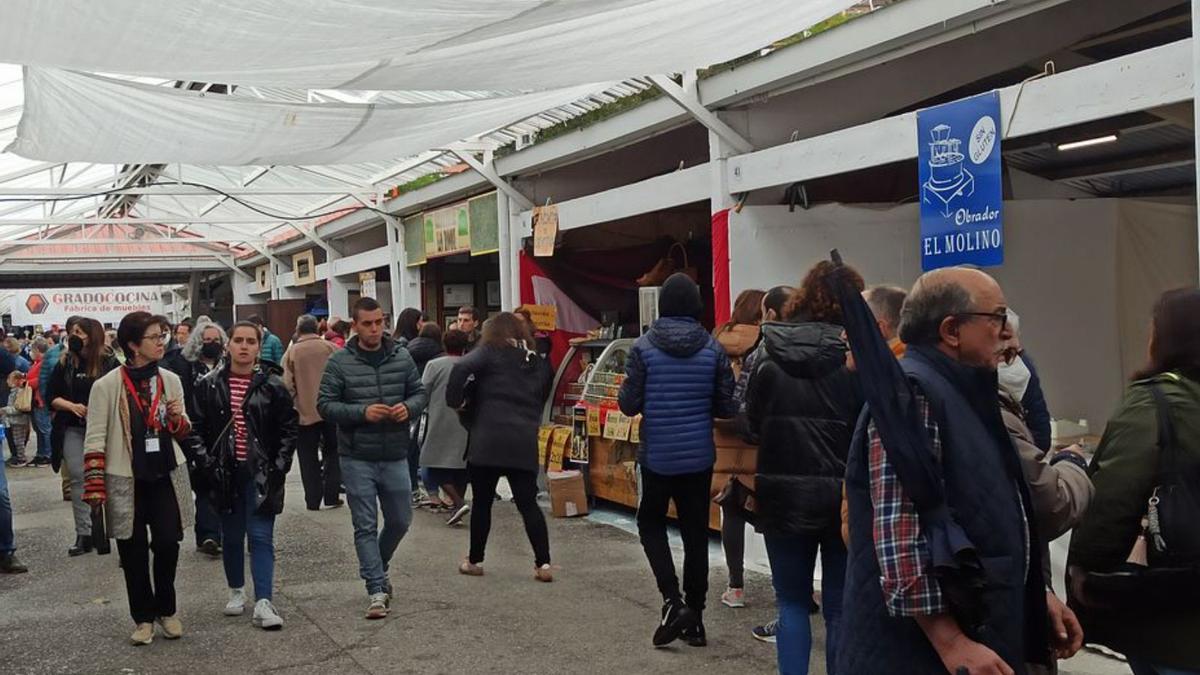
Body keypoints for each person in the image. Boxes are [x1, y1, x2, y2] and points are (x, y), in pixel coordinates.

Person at [838, 267, 1080, 675]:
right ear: (952, 331)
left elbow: (998, 514)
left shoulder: (965, 392)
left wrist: (1035, 593)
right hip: (918, 656)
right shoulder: (915, 396)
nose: (1008, 334)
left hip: (979, 630)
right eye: (998, 318)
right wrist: (950, 642)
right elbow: (902, 537)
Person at [1068, 287, 1200, 675]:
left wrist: (1086, 577)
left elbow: (1112, 499)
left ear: (1165, 338)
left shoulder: (1156, 403)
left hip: (1175, 618)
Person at [746, 262, 864, 674]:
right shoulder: (859, 356)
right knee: (840, 608)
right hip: (845, 498)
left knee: (792, 603)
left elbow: (751, 424)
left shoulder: (768, 352)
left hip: (782, 495)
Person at [618, 273, 736, 649]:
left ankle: (672, 600)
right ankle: (696, 620)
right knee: (695, 533)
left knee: (650, 523)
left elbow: (628, 403)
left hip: (657, 457)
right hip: (699, 456)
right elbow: (724, 405)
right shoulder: (713, 349)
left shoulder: (644, 347)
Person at [82, 311, 195, 646]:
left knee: (167, 543)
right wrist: (94, 485)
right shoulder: (106, 386)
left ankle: (167, 610)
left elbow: (184, 430)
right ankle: (143, 618)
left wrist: (177, 419)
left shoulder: (170, 379)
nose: (162, 342)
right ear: (132, 345)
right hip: (124, 479)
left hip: (164, 475)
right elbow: (95, 437)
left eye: (163, 335)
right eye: (154, 337)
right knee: (131, 552)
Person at [317, 297, 427, 620]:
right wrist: (362, 413)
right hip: (356, 456)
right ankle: (376, 589)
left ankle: (379, 565)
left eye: (379, 322)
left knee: (400, 520)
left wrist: (409, 408)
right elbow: (325, 405)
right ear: (355, 326)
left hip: (394, 453)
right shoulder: (339, 362)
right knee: (364, 525)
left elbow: (419, 393)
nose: (375, 328)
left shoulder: (401, 356)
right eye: (368, 323)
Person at [190, 321, 297, 631]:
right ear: (228, 345)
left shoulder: (273, 385)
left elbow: (289, 428)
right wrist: (207, 462)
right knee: (233, 536)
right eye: (238, 340)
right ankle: (236, 589)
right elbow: (195, 427)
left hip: (261, 473)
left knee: (262, 536)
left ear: (259, 347)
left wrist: (279, 464)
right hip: (224, 473)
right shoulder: (209, 385)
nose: (244, 346)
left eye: (251, 341)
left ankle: (264, 601)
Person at [446, 312, 554, 580]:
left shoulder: (490, 352)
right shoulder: (532, 359)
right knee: (528, 504)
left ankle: (475, 560)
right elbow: (545, 387)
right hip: (522, 440)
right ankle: (543, 564)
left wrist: (456, 401)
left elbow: (460, 368)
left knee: (482, 503)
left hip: (487, 439)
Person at [711, 288, 764, 610]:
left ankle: (736, 586)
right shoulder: (768, 342)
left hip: (724, 436)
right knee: (772, 511)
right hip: (760, 436)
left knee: (731, 509)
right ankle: (793, 588)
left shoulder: (717, 340)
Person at [49, 317, 120, 556]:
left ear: (93, 335)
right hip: (72, 427)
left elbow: (118, 396)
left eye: (79, 332)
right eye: (72, 332)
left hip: (104, 429)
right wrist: (72, 406)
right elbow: (52, 397)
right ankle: (84, 533)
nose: (73, 336)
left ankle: (114, 532)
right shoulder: (65, 362)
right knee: (79, 478)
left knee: (109, 477)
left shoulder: (109, 362)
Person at [179, 319, 229, 556]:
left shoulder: (228, 365)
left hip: (226, 432)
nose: (211, 344)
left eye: (215, 340)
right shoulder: (186, 368)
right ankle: (209, 534)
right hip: (197, 431)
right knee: (204, 483)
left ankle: (221, 531)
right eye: (206, 340)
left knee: (226, 484)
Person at [282, 314, 342, 511]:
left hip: (304, 412)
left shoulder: (293, 352)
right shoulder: (331, 348)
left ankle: (312, 499)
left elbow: (287, 385)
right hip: (332, 410)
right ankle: (332, 495)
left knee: (307, 456)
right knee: (333, 451)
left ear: (299, 330)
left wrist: (292, 405)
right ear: (318, 329)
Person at [420, 329, 472, 525]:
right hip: (466, 419)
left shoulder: (434, 365)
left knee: (433, 464)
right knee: (461, 463)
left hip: (440, 417)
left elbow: (423, 391)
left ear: (444, 345)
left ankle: (458, 503)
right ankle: (458, 504)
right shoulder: (471, 366)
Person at [26, 337, 53, 467]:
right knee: (39, 429)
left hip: (41, 400)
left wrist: (25, 383)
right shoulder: (37, 363)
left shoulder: (44, 363)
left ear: (37, 350)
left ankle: (48, 454)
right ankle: (41, 453)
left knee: (45, 429)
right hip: (35, 400)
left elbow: (40, 381)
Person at [863, 285, 908, 358]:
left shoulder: (886, 366)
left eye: (863, 324)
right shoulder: (922, 354)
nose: (844, 335)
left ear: (880, 328)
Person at [3, 372, 32, 467]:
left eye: (9, 379)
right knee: (16, 440)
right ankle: (17, 457)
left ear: (16, 380)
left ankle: (21, 458)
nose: (7, 381)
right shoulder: (14, 391)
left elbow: (19, 408)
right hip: (14, 421)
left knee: (19, 441)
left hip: (19, 421)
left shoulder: (19, 392)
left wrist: (4, 410)